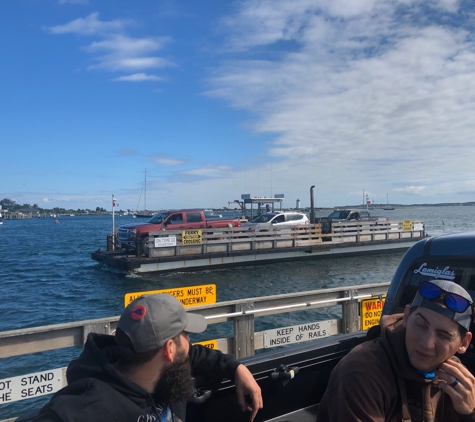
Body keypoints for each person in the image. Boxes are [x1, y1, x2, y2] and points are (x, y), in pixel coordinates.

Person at [33, 294, 263, 422]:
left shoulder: (158, 369)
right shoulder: (89, 405)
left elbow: (193, 355)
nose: (190, 342)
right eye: (187, 336)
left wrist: (236, 368)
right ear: (169, 349)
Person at [317, 279, 475, 421]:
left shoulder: (455, 380)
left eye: (444, 335)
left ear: (463, 343)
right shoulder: (363, 373)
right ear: (406, 317)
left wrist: (468, 413)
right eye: (420, 325)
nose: (427, 343)